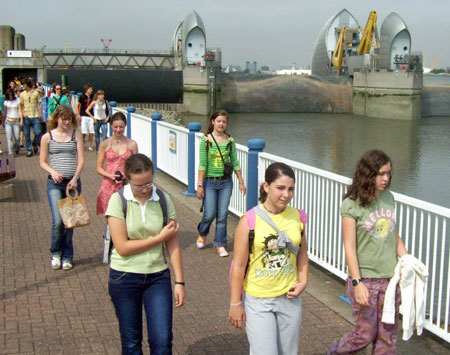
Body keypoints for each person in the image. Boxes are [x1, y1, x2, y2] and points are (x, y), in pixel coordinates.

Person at [328, 150, 408, 354]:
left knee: (387, 337)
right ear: (368, 174)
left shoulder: (388, 198)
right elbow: (350, 247)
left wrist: (406, 258)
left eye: (388, 173)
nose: (386, 179)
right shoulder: (352, 204)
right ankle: (336, 351)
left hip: (390, 279)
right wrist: (357, 283)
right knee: (365, 334)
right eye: (381, 174)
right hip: (366, 279)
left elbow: (392, 232)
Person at [106, 153, 185, 354]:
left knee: (162, 340)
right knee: (132, 342)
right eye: (138, 186)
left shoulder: (163, 200)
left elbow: (172, 242)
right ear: (127, 180)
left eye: (148, 183)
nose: (144, 190)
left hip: (157, 276)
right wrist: (158, 238)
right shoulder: (118, 200)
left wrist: (179, 282)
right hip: (124, 276)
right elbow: (122, 247)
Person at [229, 162, 309, 355]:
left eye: (291, 189)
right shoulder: (249, 220)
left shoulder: (298, 216)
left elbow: (302, 253)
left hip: (289, 297)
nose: (286, 195)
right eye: (280, 188)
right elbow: (239, 266)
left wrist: (303, 281)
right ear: (266, 187)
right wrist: (235, 304)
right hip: (258, 299)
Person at [39, 104, 85, 271]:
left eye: (69, 119)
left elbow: (81, 160)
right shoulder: (47, 137)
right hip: (54, 183)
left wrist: (75, 177)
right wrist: (52, 171)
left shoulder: (76, 135)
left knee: (69, 222)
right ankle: (55, 252)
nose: (66, 122)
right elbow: (43, 161)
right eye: (63, 119)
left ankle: (67, 256)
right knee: (58, 220)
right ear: (57, 118)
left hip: (71, 184)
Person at [196, 110, 246, 257]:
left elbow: (235, 162)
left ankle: (220, 244)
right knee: (209, 213)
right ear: (213, 122)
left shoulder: (230, 141)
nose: (221, 124)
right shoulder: (206, 141)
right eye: (219, 121)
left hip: (226, 183)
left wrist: (241, 182)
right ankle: (202, 232)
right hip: (210, 182)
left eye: (224, 121)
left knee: (223, 215)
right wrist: (199, 185)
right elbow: (203, 164)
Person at [19, 77, 43, 157]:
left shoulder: (36, 93)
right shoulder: (22, 94)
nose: (23, 86)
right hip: (26, 116)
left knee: (38, 132)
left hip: (35, 115)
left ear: (28, 84)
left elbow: (39, 103)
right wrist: (22, 113)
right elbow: (21, 105)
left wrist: (41, 114)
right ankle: (29, 150)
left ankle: (34, 143)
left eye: (24, 84)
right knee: (26, 134)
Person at [2, 89, 22, 155]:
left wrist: (21, 119)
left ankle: (16, 148)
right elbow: (5, 112)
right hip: (8, 121)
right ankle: (10, 153)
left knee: (17, 138)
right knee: (9, 138)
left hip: (16, 121)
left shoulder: (17, 101)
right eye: (9, 95)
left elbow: (20, 111)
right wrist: (3, 121)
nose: (10, 96)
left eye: (11, 95)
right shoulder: (6, 102)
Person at [77, 84, 95, 151]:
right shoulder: (82, 97)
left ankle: (89, 145)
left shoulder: (93, 97)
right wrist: (79, 114)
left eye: (91, 89)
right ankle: (81, 143)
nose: (91, 90)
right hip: (84, 115)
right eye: (90, 89)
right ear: (86, 90)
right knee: (84, 131)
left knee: (91, 131)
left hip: (91, 115)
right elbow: (78, 105)